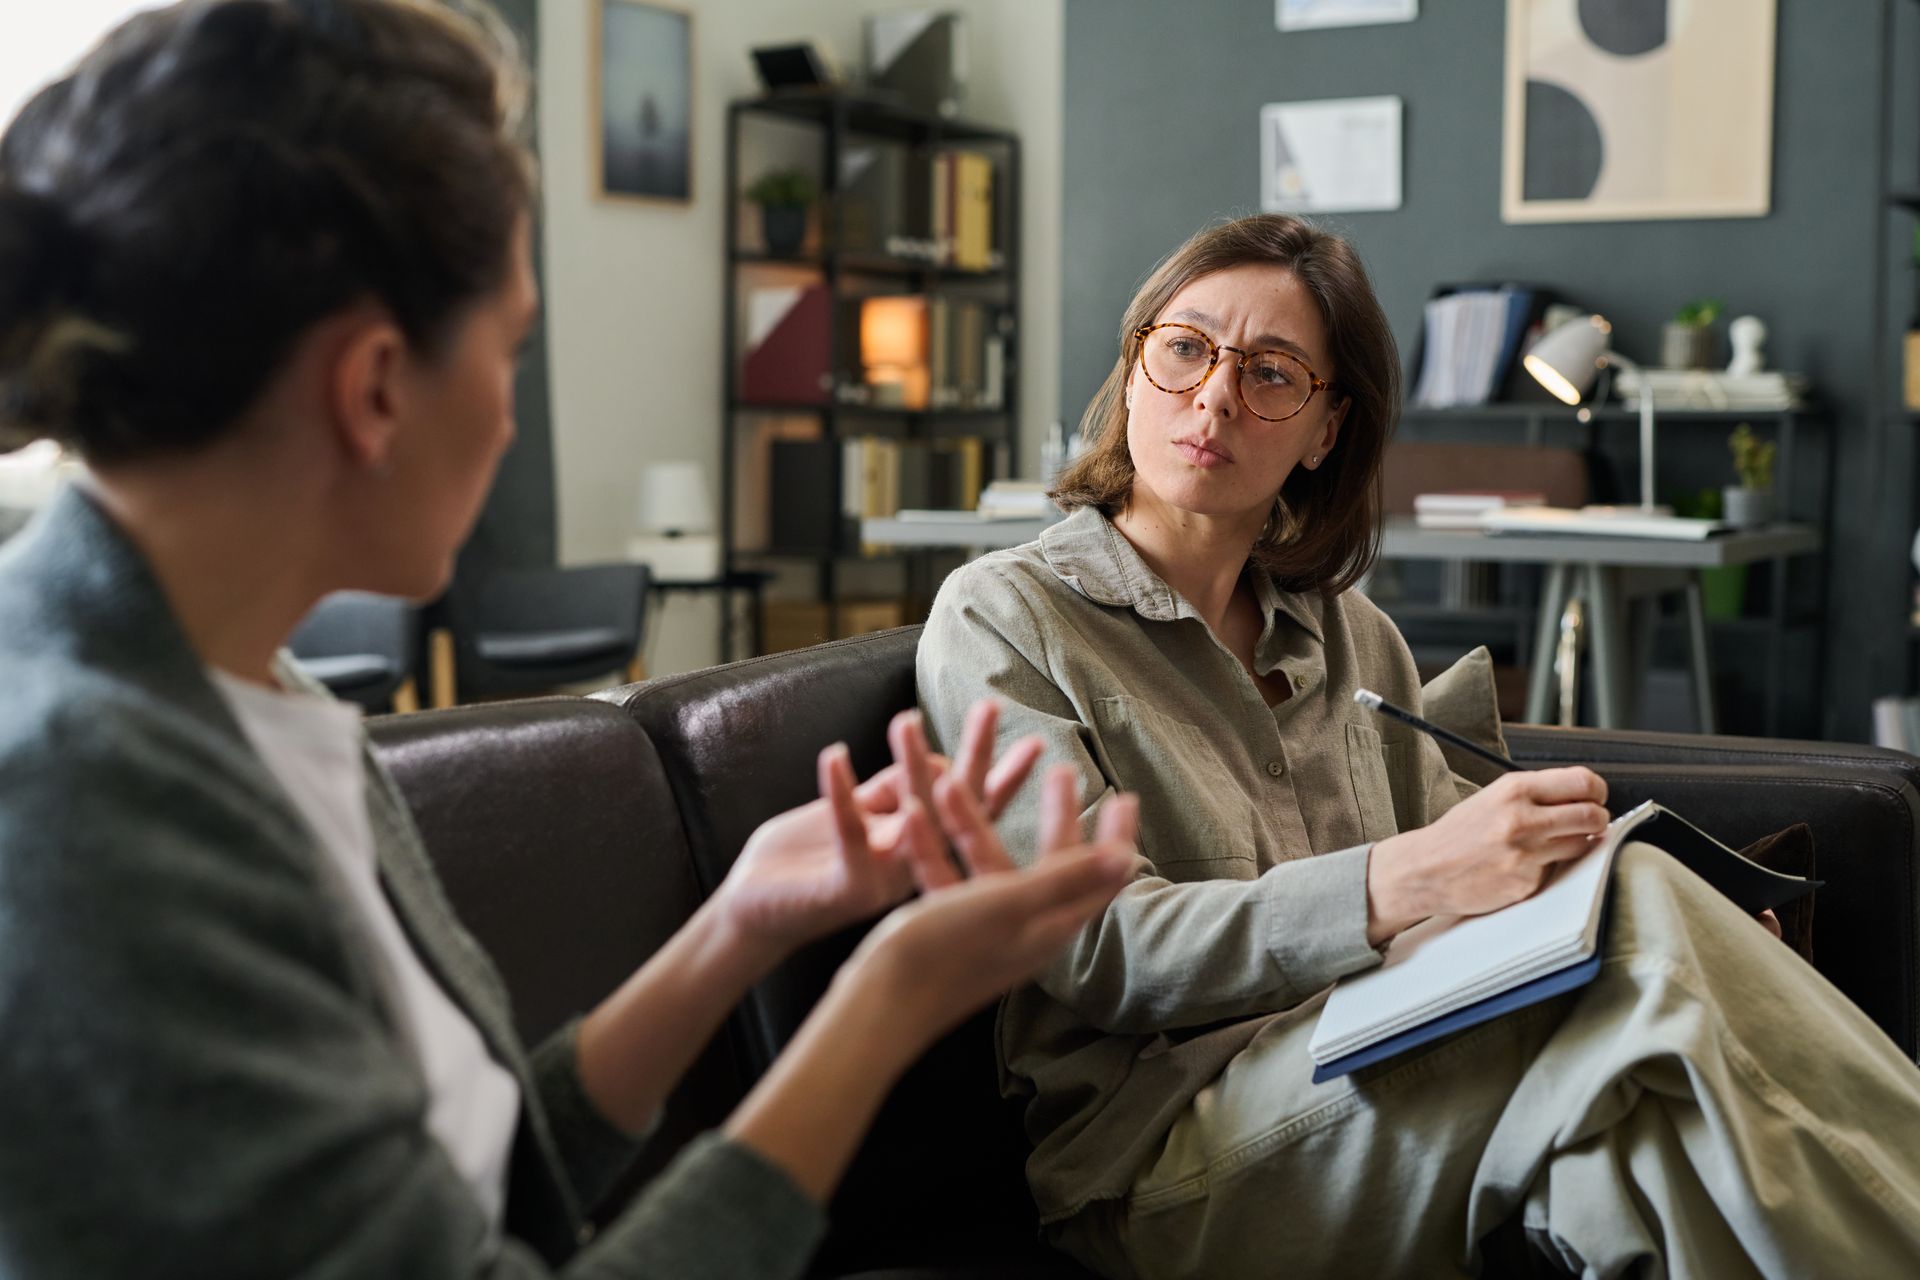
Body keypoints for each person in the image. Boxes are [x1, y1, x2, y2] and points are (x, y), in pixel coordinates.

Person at [0, 2, 1139, 1276]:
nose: (504, 415)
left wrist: (740, 922)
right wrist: (885, 1003)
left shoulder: (253, 688)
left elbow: (457, 1182)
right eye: (512, 345)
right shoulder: (76, 807)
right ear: (374, 386)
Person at [917, 212, 1920, 1278]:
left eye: (1270, 372)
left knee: (1644, 1150)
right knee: (1649, 926)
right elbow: (1097, 951)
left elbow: (1494, 907)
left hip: (1401, 1079)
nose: (1212, 394)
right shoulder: (1003, 618)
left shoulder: (1357, 638)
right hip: (1165, 1161)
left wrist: (1694, 945)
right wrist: (1404, 878)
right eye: (1185, 348)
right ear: (1134, 366)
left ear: (1325, 428)